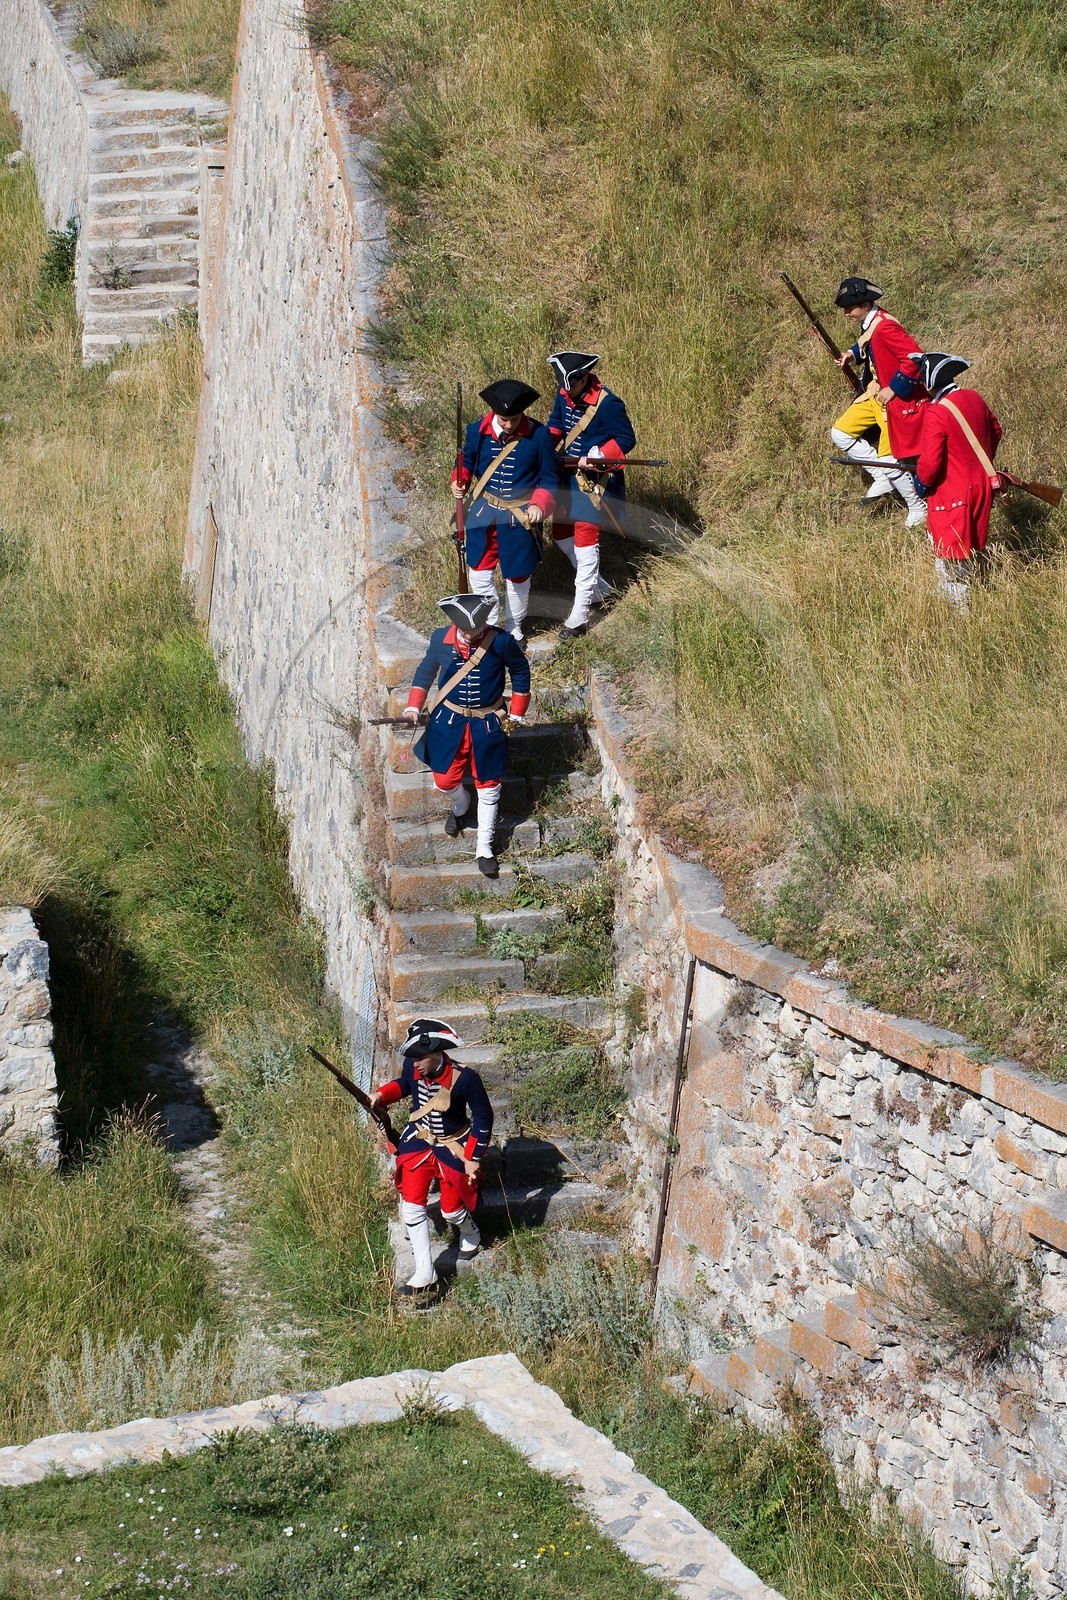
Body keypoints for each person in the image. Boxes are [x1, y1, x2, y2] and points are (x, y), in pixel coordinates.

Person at [403, 592, 530, 877]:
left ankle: (484, 848)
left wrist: (518, 709)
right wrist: (413, 706)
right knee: (444, 781)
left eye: (476, 630)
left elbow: (520, 671)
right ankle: (461, 804)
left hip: (487, 725)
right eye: (466, 631)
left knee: (489, 786)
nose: (471, 635)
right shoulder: (440, 639)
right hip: (448, 722)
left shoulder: (500, 641)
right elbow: (425, 673)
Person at [370, 1018, 494, 1305]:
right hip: (419, 1141)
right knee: (412, 1206)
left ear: (437, 1053)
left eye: (420, 1058)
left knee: (451, 1212)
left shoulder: (466, 1079)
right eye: (412, 1058)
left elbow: (483, 1118)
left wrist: (473, 1157)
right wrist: (380, 1095)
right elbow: (403, 1085)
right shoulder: (413, 1068)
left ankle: (469, 1230)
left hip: (453, 1146)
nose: (415, 1065)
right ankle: (425, 1271)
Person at [452, 379, 559, 646]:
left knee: (518, 575)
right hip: (484, 512)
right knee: (478, 571)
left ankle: (514, 627)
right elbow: (466, 461)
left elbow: (549, 478)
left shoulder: (539, 435)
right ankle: (490, 625)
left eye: (514, 419)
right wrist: (459, 479)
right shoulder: (477, 430)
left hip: (519, 517)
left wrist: (539, 503)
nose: (509, 424)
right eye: (504, 419)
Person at [545, 351, 637, 639]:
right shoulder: (564, 394)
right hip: (566, 477)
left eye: (570, 385)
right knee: (560, 533)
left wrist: (598, 455)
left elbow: (626, 440)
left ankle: (580, 614)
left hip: (595, 481)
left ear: (584, 378)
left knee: (586, 543)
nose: (565, 391)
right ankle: (598, 588)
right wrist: (538, 448)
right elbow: (556, 427)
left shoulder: (608, 404)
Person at [829, 276, 929, 527]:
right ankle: (882, 477)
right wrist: (852, 354)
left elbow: (914, 359)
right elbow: (867, 341)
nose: (846, 314)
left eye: (849, 309)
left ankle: (918, 506)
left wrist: (894, 388)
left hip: (892, 399)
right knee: (840, 433)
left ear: (865, 305)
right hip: (874, 393)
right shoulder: (871, 322)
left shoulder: (885, 326)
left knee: (889, 457)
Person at [913, 352, 1002, 609]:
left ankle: (959, 617)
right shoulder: (974, 397)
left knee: (951, 560)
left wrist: (921, 484)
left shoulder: (937, 413)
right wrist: (978, 462)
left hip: (952, 493)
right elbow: (995, 431)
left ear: (931, 382)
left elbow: (930, 464)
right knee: (966, 550)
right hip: (982, 486)